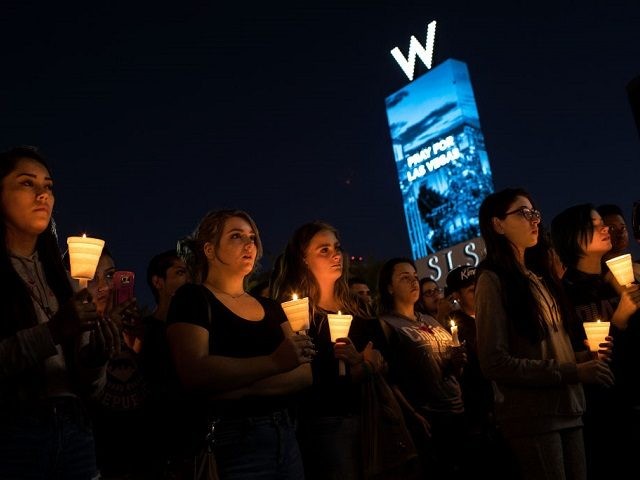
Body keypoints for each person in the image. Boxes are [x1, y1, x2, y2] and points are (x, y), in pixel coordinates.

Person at [475, 187, 614, 480]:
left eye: (535, 213)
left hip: (570, 408)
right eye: (523, 213)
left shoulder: (539, 277)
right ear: (497, 225)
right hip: (534, 417)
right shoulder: (492, 280)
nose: (534, 220)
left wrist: (583, 357)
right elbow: (494, 362)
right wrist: (573, 371)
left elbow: (548, 350)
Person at [167, 209, 313, 479]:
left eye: (252, 237)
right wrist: (274, 363)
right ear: (209, 249)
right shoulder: (194, 299)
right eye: (236, 236)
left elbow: (304, 374)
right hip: (232, 440)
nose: (249, 244)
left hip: (285, 435)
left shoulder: (272, 308)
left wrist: (232, 387)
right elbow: (195, 372)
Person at [0, 145, 118, 479]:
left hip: (74, 430)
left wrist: (96, 357)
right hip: (13, 433)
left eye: (48, 186)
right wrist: (53, 331)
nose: (43, 195)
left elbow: (90, 387)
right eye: (27, 184)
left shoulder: (63, 280)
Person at [271, 221, 407, 480]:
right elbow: (310, 381)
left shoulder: (360, 309)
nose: (336, 255)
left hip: (373, 414)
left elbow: (387, 360)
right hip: (327, 427)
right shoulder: (297, 315)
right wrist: (362, 366)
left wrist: (366, 362)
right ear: (303, 259)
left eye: (337, 247)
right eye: (323, 250)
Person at [551, 203, 640, 478]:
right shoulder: (562, 296)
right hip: (603, 412)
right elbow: (579, 355)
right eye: (594, 225)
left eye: (604, 222)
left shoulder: (615, 280)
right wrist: (620, 320)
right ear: (572, 237)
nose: (606, 228)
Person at [377, 257, 466, 479]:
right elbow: (387, 378)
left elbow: (452, 369)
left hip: (458, 410)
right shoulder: (387, 324)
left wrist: (457, 361)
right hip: (428, 417)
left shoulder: (429, 320)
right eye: (404, 278)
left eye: (415, 277)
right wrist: (412, 414)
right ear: (389, 287)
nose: (413, 282)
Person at [138, 248, 191, 477]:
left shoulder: (195, 332)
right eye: (180, 272)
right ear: (158, 282)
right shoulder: (143, 331)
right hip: (155, 440)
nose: (188, 279)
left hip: (191, 436)